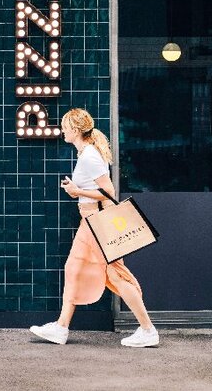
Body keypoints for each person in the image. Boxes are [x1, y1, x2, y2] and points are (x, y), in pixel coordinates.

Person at [29, 108, 159, 348]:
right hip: (89, 220)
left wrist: (77, 191)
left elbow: (109, 192)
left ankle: (148, 329)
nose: (63, 130)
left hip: (97, 220)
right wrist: (76, 189)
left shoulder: (89, 155)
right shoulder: (86, 153)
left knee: (115, 275)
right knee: (74, 268)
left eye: (66, 126)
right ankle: (61, 327)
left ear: (76, 129)